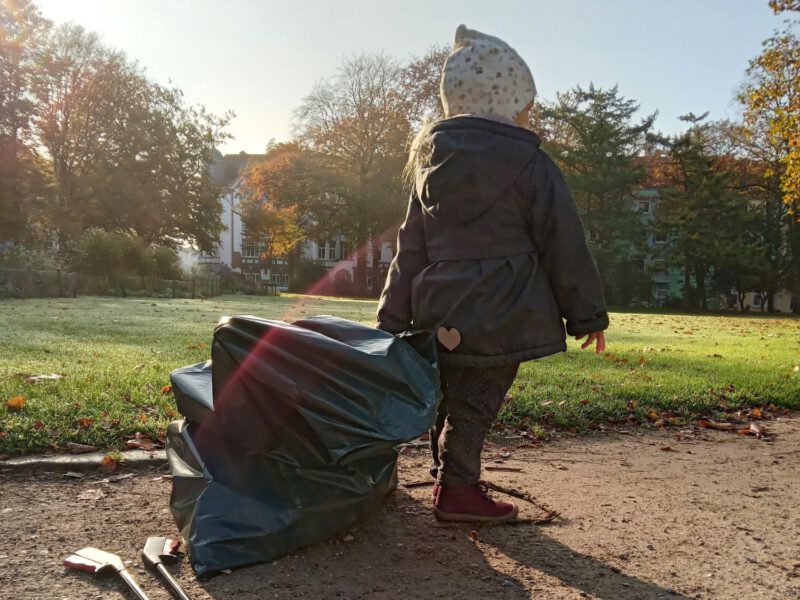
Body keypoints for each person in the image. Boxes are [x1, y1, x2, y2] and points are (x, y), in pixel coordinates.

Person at [376, 24, 608, 523]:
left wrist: (391, 319)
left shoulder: (428, 165)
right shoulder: (531, 163)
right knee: (477, 404)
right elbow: (563, 241)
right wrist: (586, 314)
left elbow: (408, 250)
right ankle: (458, 490)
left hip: (438, 307)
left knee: (448, 396)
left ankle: (445, 479)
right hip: (505, 309)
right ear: (512, 102)